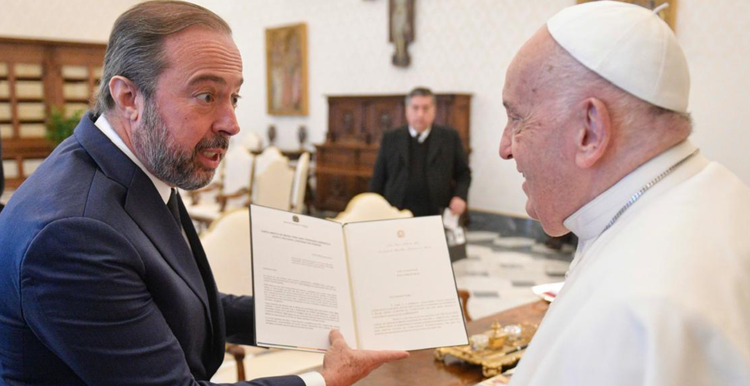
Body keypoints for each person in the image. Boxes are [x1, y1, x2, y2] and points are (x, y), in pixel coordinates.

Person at [0, 2, 407, 385]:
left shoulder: (134, 163)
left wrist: (330, 316)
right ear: (128, 98)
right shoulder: (73, 234)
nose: (231, 123)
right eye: (207, 96)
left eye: (234, 97)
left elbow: (185, 303)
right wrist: (326, 379)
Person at [499, 2, 750, 385]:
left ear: (590, 130)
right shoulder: (716, 193)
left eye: (517, 118)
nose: (505, 147)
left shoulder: (637, 309)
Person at [370, 87, 471, 217]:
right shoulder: (391, 138)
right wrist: (374, 207)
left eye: (426, 108)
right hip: (397, 210)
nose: (420, 114)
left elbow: (463, 174)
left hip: (435, 211)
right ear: (407, 110)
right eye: (415, 108)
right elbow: (378, 179)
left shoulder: (449, 138)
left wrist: (460, 196)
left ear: (434, 110)